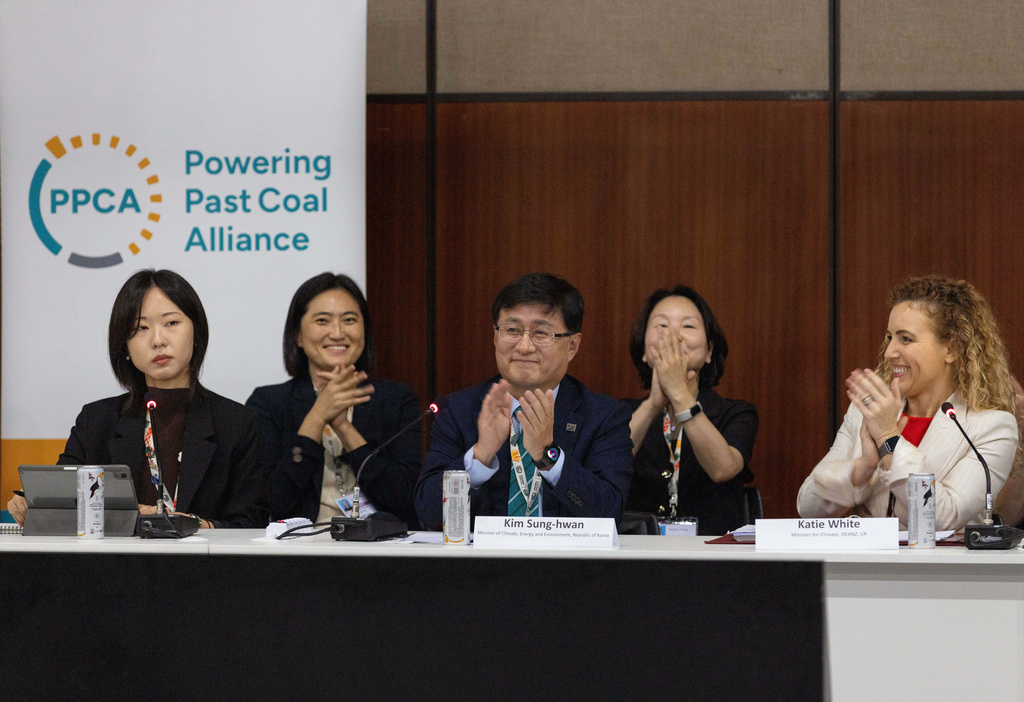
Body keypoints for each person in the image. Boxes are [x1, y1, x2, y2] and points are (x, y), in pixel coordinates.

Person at [6, 269, 270, 528]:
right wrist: (30, 502)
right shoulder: (96, 421)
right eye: (140, 328)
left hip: (204, 568)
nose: (158, 340)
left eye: (171, 323)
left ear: (196, 332)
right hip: (116, 568)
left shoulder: (237, 423)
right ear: (125, 346)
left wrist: (193, 525)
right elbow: (61, 502)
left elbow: (251, 522)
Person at [797, 275, 1019, 530]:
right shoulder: (864, 412)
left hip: (941, 570)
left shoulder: (992, 427)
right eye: (890, 337)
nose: (890, 352)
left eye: (906, 339)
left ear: (952, 349)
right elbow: (808, 507)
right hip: (862, 568)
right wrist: (862, 469)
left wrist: (889, 438)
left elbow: (942, 518)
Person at [415, 272, 633, 530]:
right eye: (512, 330)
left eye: (541, 333)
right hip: (481, 567)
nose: (525, 346)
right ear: (495, 337)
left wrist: (547, 456)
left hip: (567, 567)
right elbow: (428, 516)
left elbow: (609, 514)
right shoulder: (458, 411)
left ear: (573, 345)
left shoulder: (604, 416)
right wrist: (481, 456)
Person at [246, 273, 421, 525]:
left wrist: (344, 426)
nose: (337, 333)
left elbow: (402, 496)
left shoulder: (396, 399)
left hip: (380, 550)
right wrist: (318, 415)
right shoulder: (269, 403)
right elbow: (272, 501)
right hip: (299, 551)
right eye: (322, 321)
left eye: (349, 320)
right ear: (297, 335)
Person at [625, 286, 758, 535]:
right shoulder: (621, 413)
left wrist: (678, 394)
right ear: (644, 350)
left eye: (688, 326)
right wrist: (653, 405)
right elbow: (607, 462)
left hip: (713, 557)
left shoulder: (736, 413)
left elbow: (722, 469)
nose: (674, 336)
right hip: (637, 556)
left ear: (709, 351)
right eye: (661, 326)